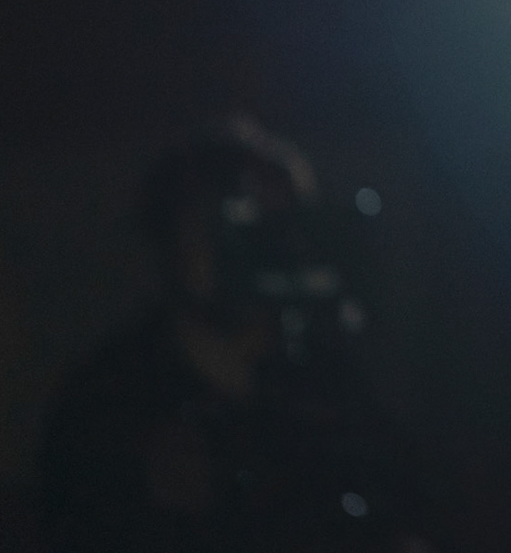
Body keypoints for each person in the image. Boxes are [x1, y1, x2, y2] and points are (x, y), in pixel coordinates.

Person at [38, 118, 436, 553]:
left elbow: (403, 506)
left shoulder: (332, 384)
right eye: (231, 223)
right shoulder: (109, 401)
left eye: (276, 225)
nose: (258, 247)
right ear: (171, 238)